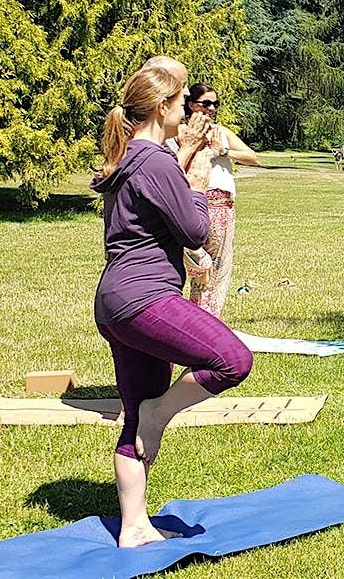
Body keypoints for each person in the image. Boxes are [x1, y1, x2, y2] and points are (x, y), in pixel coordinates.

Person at [92, 66, 253, 548]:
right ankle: (161, 412)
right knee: (232, 361)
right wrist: (199, 186)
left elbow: (161, 197)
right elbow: (197, 231)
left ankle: (134, 525)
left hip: (114, 301)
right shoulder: (154, 162)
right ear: (162, 108)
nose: (187, 108)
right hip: (144, 297)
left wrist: (181, 163)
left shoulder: (129, 157)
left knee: (133, 415)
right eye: (183, 100)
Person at [168, 83, 259, 318]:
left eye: (215, 104)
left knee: (217, 272)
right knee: (200, 265)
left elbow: (252, 157)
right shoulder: (179, 133)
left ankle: (205, 320)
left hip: (223, 206)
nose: (211, 108)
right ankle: (197, 322)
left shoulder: (221, 132)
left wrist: (223, 152)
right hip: (194, 203)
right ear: (190, 104)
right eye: (205, 103)